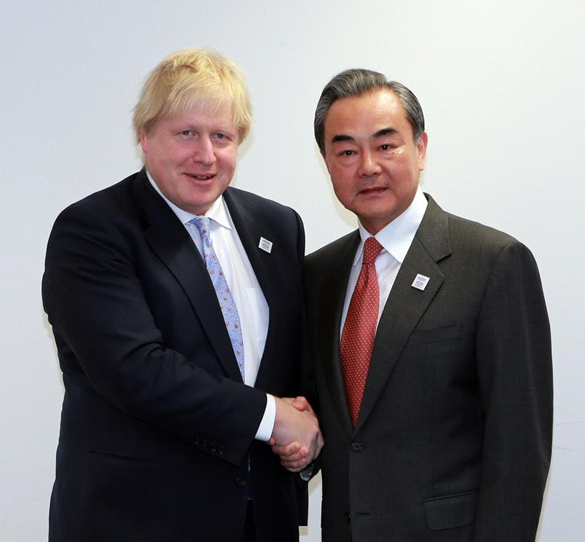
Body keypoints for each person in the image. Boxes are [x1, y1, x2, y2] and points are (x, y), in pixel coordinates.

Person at [42, 48, 322, 542]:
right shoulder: (92, 231)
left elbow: (293, 362)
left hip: (261, 521)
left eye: (222, 136)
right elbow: (136, 370)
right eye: (187, 133)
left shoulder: (278, 226)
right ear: (145, 136)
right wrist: (270, 416)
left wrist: (303, 435)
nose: (206, 155)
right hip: (138, 521)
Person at [278, 69, 553, 541]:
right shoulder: (316, 274)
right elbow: (332, 421)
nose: (367, 165)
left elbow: (519, 449)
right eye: (346, 151)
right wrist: (300, 445)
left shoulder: (493, 263)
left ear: (421, 148)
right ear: (327, 162)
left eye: (386, 145)